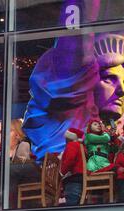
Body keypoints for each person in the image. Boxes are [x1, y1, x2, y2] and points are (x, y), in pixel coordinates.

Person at [23, 0, 124, 160]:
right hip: (64, 174)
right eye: (109, 79)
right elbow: (71, 50)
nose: (121, 89)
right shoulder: (70, 84)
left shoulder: (96, 123)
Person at [60, 128, 85, 206]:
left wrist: (61, 172)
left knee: (72, 204)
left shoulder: (72, 145)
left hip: (73, 178)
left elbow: (70, 159)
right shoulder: (81, 146)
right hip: (80, 178)